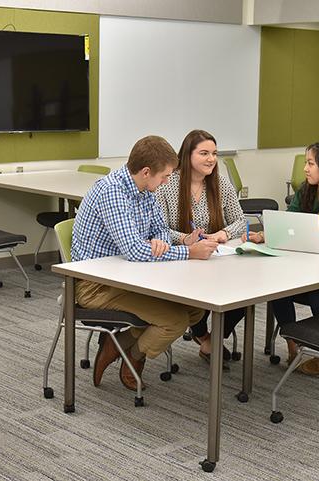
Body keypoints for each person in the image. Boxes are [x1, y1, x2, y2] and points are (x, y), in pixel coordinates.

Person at [72, 135, 219, 391]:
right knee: (174, 320)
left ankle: (117, 343)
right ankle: (133, 357)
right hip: (96, 286)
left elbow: (160, 229)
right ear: (146, 172)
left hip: (130, 276)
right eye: (163, 177)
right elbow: (135, 251)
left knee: (194, 310)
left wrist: (161, 241)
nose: (165, 182)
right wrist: (189, 252)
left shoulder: (144, 189)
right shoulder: (113, 192)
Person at [244, 140, 319, 375]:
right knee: (277, 289)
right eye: (306, 163)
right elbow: (289, 220)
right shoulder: (307, 188)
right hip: (312, 258)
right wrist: (268, 233)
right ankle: (294, 345)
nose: (305, 169)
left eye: (310, 163)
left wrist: (299, 234)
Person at [156, 129, 247, 370]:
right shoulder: (168, 184)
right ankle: (202, 334)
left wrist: (223, 233)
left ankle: (211, 340)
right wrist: (187, 239)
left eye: (214, 153)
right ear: (187, 155)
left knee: (245, 295)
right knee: (200, 295)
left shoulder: (219, 182)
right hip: (180, 260)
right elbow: (160, 229)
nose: (211, 159)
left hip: (215, 257)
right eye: (204, 153)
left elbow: (240, 220)